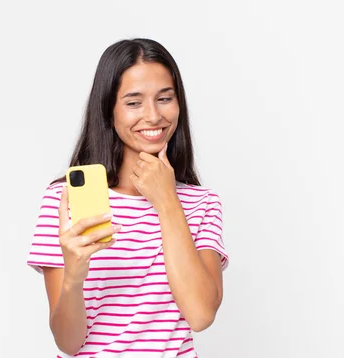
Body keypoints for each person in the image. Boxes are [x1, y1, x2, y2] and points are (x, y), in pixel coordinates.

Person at [26, 38, 229, 357]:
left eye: (165, 98)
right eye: (134, 102)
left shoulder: (201, 204)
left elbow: (201, 314)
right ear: (109, 109)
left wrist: (167, 202)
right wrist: (73, 278)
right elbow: (68, 342)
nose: (153, 116)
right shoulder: (63, 199)